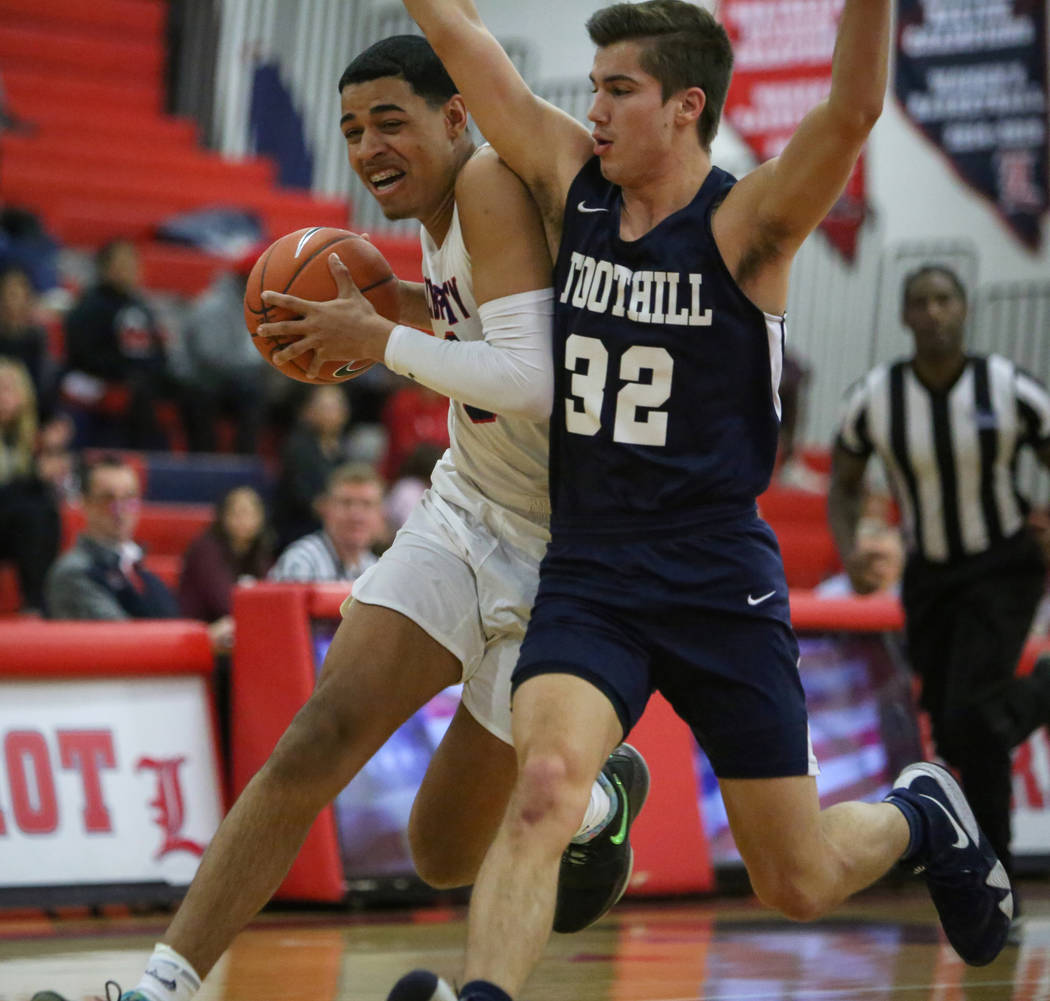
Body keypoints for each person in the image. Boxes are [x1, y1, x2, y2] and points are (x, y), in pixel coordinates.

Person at [375, 2, 1014, 996]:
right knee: (543, 788)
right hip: (591, 569)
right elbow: (472, 51)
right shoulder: (567, 179)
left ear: (685, 107)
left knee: (795, 878)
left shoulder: (746, 222)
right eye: (590, 87)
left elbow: (850, 111)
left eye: (617, 90)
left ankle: (921, 810)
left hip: (719, 577)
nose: (592, 108)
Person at [30, 36, 646, 1001]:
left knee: (442, 849)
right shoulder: (443, 219)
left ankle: (594, 799)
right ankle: (161, 985)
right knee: (315, 741)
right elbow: (471, 326)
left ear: (453, 117)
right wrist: (378, 306)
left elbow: (532, 379)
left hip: (561, 557)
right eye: (353, 129)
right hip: (466, 510)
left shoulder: (487, 183)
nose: (367, 147)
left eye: (390, 121)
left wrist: (379, 337)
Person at [828, 263, 1050, 892]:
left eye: (944, 299)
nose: (932, 312)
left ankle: (990, 876)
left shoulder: (1007, 386)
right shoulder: (875, 397)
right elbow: (844, 488)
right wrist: (850, 552)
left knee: (974, 720)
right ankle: (987, 878)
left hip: (1003, 567)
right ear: (904, 316)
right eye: (920, 302)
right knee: (956, 729)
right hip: (928, 576)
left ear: (964, 309)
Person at [60, 239, 177, 450]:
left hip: (138, 377)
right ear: (104, 268)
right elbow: (83, 354)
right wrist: (124, 371)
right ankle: (141, 454)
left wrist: (153, 368)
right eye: (122, 263)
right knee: (139, 392)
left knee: (188, 389)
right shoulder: (89, 307)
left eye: (132, 262)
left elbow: (157, 348)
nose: (129, 269)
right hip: (95, 377)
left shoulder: (141, 305)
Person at [44, 454, 179, 621]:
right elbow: (123, 639)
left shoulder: (137, 567)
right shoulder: (73, 572)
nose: (120, 510)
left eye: (129, 498)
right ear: (86, 504)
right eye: (108, 499)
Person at [174, 254, 270, 454]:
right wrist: (255, 366)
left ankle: (246, 459)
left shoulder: (255, 304)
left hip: (231, 380)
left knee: (256, 391)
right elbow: (210, 356)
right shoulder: (212, 305)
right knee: (204, 395)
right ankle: (204, 459)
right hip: (199, 378)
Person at [0, 357, 61, 613]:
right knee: (33, 509)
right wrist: (36, 476)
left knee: (45, 508)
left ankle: (39, 600)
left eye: (6, 388)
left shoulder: (22, 440)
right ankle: (35, 601)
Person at [268, 462, 385, 582]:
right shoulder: (301, 561)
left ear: (380, 514)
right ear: (326, 509)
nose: (356, 515)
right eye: (346, 503)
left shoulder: (376, 568)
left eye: (367, 504)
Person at [272, 384, 353, 548]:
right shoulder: (297, 447)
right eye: (325, 407)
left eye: (336, 406)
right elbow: (306, 499)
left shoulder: (344, 451)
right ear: (308, 411)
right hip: (300, 529)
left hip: (334, 525)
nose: (331, 413)